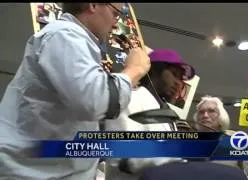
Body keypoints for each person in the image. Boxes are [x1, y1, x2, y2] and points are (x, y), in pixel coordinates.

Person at [0, 3, 150, 180]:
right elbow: (95, 101)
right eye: (115, 14)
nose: (116, 23)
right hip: (31, 173)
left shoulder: (76, 41)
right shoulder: (64, 35)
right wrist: (134, 69)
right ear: (93, 5)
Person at [101, 48, 196, 179]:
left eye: (181, 79)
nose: (179, 83)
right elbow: (122, 157)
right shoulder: (130, 100)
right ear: (154, 71)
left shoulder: (168, 115)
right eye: (174, 74)